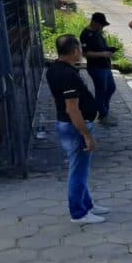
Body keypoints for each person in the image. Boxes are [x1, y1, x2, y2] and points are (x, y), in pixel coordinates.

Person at [46, 34, 111, 225]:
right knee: (78, 172)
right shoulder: (67, 75)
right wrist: (87, 135)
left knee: (81, 169)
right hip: (74, 127)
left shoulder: (55, 68)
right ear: (74, 50)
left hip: (68, 124)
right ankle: (79, 213)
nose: (81, 52)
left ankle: (87, 205)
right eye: (80, 49)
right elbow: (72, 108)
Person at [80, 12, 117, 126]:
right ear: (94, 22)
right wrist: (103, 54)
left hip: (105, 66)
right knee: (101, 91)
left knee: (111, 88)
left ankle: (103, 109)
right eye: (101, 25)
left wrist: (109, 50)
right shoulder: (86, 34)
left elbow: (101, 47)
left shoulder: (97, 33)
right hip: (96, 67)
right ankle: (102, 114)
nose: (102, 28)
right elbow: (86, 53)